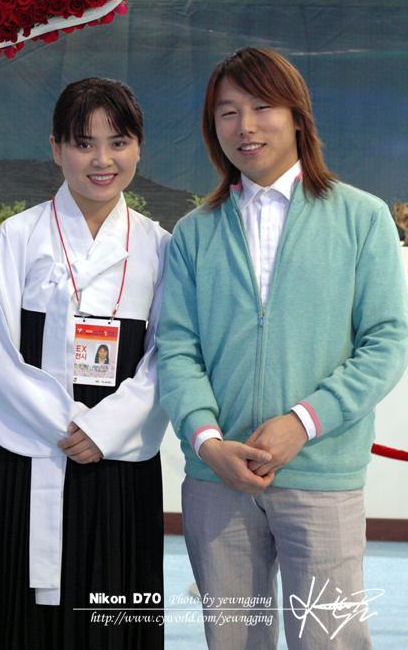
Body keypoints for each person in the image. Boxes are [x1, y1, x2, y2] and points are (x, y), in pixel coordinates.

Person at [156, 47, 408, 650]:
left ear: (297, 115)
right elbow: (177, 348)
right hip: (217, 478)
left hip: (321, 473)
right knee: (233, 640)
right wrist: (207, 442)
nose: (244, 126)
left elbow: (386, 342)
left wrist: (303, 421)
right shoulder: (194, 232)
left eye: (262, 107)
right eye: (227, 112)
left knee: (330, 639)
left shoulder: (362, 218)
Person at [0, 77, 170, 649]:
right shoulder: (19, 237)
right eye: (84, 143)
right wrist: (66, 426)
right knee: (27, 620)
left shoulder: (159, 245)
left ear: (139, 148)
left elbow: (167, 356)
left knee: (117, 611)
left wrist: (105, 428)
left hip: (120, 459)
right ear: (56, 148)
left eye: (118, 142)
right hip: (37, 452)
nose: (102, 160)